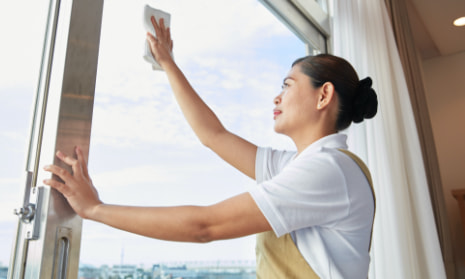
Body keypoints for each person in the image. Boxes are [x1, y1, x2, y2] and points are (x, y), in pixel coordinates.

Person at [43, 16, 378, 279]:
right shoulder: (304, 166)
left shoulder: (327, 170)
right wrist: (169, 65)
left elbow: (204, 227)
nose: (277, 96)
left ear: (324, 95)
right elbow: (213, 136)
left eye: (287, 85)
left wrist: (95, 210)